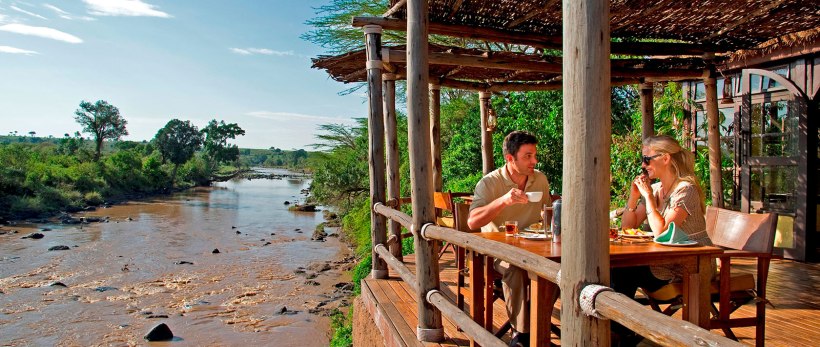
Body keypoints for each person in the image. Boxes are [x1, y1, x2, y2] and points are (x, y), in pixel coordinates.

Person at [612, 134, 712, 345]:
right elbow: (628, 227)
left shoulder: (686, 190)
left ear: (665, 158)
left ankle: (621, 333)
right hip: (663, 260)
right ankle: (622, 332)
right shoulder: (657, 189)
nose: (643, 164)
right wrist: (633, 197)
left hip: (691, 266)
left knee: (624, 270)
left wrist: (647, 197)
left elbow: (662, 232)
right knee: (617, 268)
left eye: (647, 159)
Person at [467, 131, 551, 347]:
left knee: (558, 267)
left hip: (535, 246)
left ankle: (539, 323)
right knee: (517, 268)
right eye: (528, 156)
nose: (535, 161)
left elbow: (548, 210)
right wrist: (503, 201)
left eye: (535, 155)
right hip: (499, 250)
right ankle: (522, 334)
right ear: (510, 158)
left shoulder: (539, 179)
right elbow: (472, 222)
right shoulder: (489, 183)